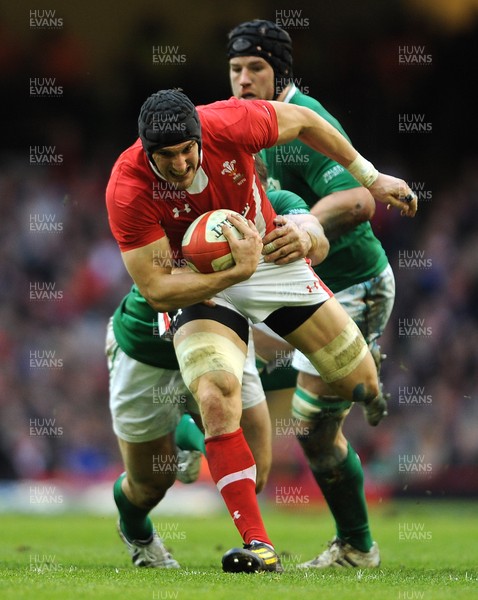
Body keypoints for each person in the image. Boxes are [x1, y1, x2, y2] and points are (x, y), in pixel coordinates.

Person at [105, 87, 416, 573]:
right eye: (167, 157)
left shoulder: (230, 123)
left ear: (202, 138)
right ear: (147, 152)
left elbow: (305, 122)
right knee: (214, 394)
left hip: (266, 258)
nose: (182, 165)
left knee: (356, 386)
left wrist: (371, 178)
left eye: (188, 151)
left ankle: (361, 369)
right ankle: (259, 547)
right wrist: (232, 273)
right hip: (197, 285)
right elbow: (159, 289)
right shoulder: (128, 185)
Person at [227, 19, 412, 568]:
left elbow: (359, 200)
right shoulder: (244, 123)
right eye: (235, 70)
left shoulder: (306, 124)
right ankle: (362, 373)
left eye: (254, 69)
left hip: (354, 285)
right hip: (296, 284)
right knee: (226, 367)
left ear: (279, 71)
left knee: (309, 428)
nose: (241, 81)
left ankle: (357, 547)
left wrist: (306, 222)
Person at [107, 158, 329, 570]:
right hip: (148, 348)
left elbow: (313, 232)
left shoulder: (275, 204)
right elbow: (160, 301)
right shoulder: (184, 208)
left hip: (223, 343)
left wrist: (308, 238)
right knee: (150, 482)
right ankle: (137, 530)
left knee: (257, 471)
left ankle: (195, 437)